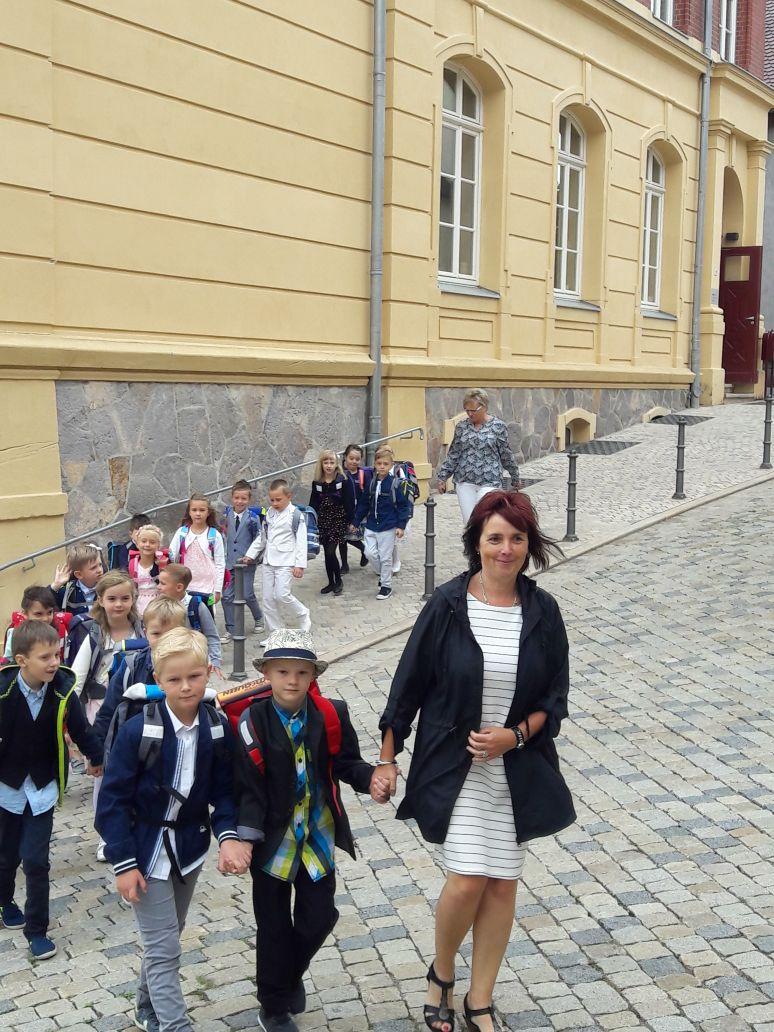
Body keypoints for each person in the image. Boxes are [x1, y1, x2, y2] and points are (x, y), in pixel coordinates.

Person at [378, 490, 575, 1032]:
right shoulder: (446, 605)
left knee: (502, 884)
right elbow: (407, 685)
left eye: (516, 538)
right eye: (495, 538)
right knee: (467, 879)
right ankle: (441, 973)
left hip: (513, 771)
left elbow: (555, 699)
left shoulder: (543, 611)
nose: (505, 548)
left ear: (528, 544)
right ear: (477, 544)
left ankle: (479, 1000)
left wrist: (514, 736)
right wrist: (388, 758)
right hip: (454, 764)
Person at [232, 629, 392, 1032]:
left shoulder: (332, 713)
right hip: (273, 840)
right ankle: (274, 1006)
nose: (292, 680)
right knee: (273, 926)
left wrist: (370, 777)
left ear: (312, 676)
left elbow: (346, 763)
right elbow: (248, 787)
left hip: (316, 835)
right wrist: (243, 837)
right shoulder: (253, 721)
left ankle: (287, 976)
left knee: (319, 917)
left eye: (301, 673)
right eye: (283, 671)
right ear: (266, 674)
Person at [96, 627, 251, 1032]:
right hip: (144, 851)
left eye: (194, 677)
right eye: (174, 679)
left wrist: (229, 836)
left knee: (168, 935)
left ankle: (146, 1006)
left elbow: (224, 792)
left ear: (208, 672)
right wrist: (123, 863)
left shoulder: (216, 730)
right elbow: (111, 802)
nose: (186, 687)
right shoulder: (138, 732)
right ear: (159, 680)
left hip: (188, 848)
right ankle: (174, 1025)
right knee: (164, 950)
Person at [0, 621, 103, 960]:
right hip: (7, 789)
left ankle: (37, 929)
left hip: (42, 788)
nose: (53, 662)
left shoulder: (62, 693)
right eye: (44, 657)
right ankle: (3, 901)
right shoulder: (3, 693)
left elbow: (81, 730)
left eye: (56, 654)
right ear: (21, 660)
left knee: (36, 861)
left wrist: (97, 757)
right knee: (6, 857)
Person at [92, 597, 189, 757]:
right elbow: (109, 710)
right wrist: (97, 753)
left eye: (171, 634)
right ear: (145, 632)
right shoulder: (132, 666)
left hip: (179, 747)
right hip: (136, 750)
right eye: (157, 634)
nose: (164, 640)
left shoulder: (191, 665)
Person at [66, 571, 143, 725]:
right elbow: (77, 678)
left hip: (136, 707)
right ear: (101, 600)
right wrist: (69, 714)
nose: (119, 604)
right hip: (100, 709)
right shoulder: (96, 636)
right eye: (112, 599)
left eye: (125, 598)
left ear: (133, 599)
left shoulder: (143, 632)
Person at [436, 389, 521, 525]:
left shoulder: (498, 427)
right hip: (465, 481)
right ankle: (473, 546)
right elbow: (454, 453)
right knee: (469, 522)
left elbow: (506, 453)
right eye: (467, 410)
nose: (470, 414)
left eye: (473, 410)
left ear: (484, 407)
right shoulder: (462, 427)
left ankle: (486, 544)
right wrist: (442, 477)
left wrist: (514, 476)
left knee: (484, 518)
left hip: (490, 481)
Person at [244, 479, 310, 643]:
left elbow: (301, 541)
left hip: (286, 560)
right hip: (268, 560)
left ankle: (303, 613)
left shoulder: (296, 515)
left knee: (281, 594)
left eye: (278, 500)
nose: (274, 503)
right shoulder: (269, 514)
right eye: (272, 500)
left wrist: (299, 565)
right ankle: (276, 633)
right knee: (267, 599)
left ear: (289, 496)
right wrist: (251, 554)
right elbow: (263, 536)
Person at [351, 445, 412, 601]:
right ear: (375, 465)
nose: (382, 467)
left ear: (391, 465)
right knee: (369, 553)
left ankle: (386, 586)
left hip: (388, 526)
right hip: (371, 525)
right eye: (379, 464)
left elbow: (404, 506)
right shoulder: (371, 483)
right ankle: (383, 574)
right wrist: (356, 521)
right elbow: (364, 503)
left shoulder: (395, 484)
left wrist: (401, 526)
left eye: (385, 464)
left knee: (385, 558)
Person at [156, 564, 223, 674]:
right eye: (159, 582)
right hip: (168, 660)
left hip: (194, 660)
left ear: (179, 587)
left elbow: (212, 635)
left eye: (163, 583)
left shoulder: (196, 606)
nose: (158, 587)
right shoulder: (158, 605)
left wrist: (215, 660)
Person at [221, 479, 264, 642]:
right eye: (237, 498)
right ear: (232, 498)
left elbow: (259, 539)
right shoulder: (225, 516)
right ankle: (231, 628)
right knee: (226, 596)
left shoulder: (253, 518)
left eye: (243, 499)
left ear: (249, 499)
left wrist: (251, 557)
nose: (240, 501)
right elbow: (222, 535)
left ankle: (258, 617)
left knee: (246, 594)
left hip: (246, 563)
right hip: (229, 562)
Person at [308, 450, 355, 597]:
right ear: (321, 464)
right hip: (323, 521)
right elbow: (313, 503)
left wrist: (351, 521)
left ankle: (339, 581)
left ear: (336, 464)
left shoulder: (343, 480)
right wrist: (311, 520)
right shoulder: (317, 482)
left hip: (338, 519)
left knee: (330, 551)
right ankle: (331, 582)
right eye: (326, 462)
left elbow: (349, 502)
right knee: (327, 554)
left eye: (331, 462)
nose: (328, 466)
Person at [168, 494, 226, 614]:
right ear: (189, 512)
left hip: (208, 587)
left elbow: (220, 564)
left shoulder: (215, 535)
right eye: (194, 510)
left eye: (202, 510)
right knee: (186, 616)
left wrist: (218, 590)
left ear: (208, 512)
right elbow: (172, 556)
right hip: (186, 586)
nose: (198, 513)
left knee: (207, 617)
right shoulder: (182, 533)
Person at [2, 586, 71, 664]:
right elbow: (8, 662)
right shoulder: (16, 633)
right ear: (25, 614)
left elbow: (65, 658)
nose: (45, 619)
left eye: (49, 612)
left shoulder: (60, 630)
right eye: (38, 614)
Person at [338, 444, 371, 574]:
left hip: (357, 513)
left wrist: (359, 515)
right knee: (342, 538)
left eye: (357, 459)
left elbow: (365, 496)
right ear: (345, 457)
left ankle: (364, 551)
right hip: (342, 511)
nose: (354, 461)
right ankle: (344, 565)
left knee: (354, 537)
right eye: (351, 458)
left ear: (360, 460)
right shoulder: (340, 473)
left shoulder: (363, 474)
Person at [50, 543, 104, 617]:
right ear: (79, 574)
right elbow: (42, 604)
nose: (99, 570)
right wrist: (55, 586)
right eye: (93, 568)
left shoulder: (108, 587)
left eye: (100, 565)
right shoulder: (67, 592)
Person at [128, 524, 168, 617]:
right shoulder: (133, 564)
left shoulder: (162, 563)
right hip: (138, 603)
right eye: (144, 541)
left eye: (152, 542)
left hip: (158, 603)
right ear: (137, 544)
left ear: (158, 545)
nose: (147, 545)